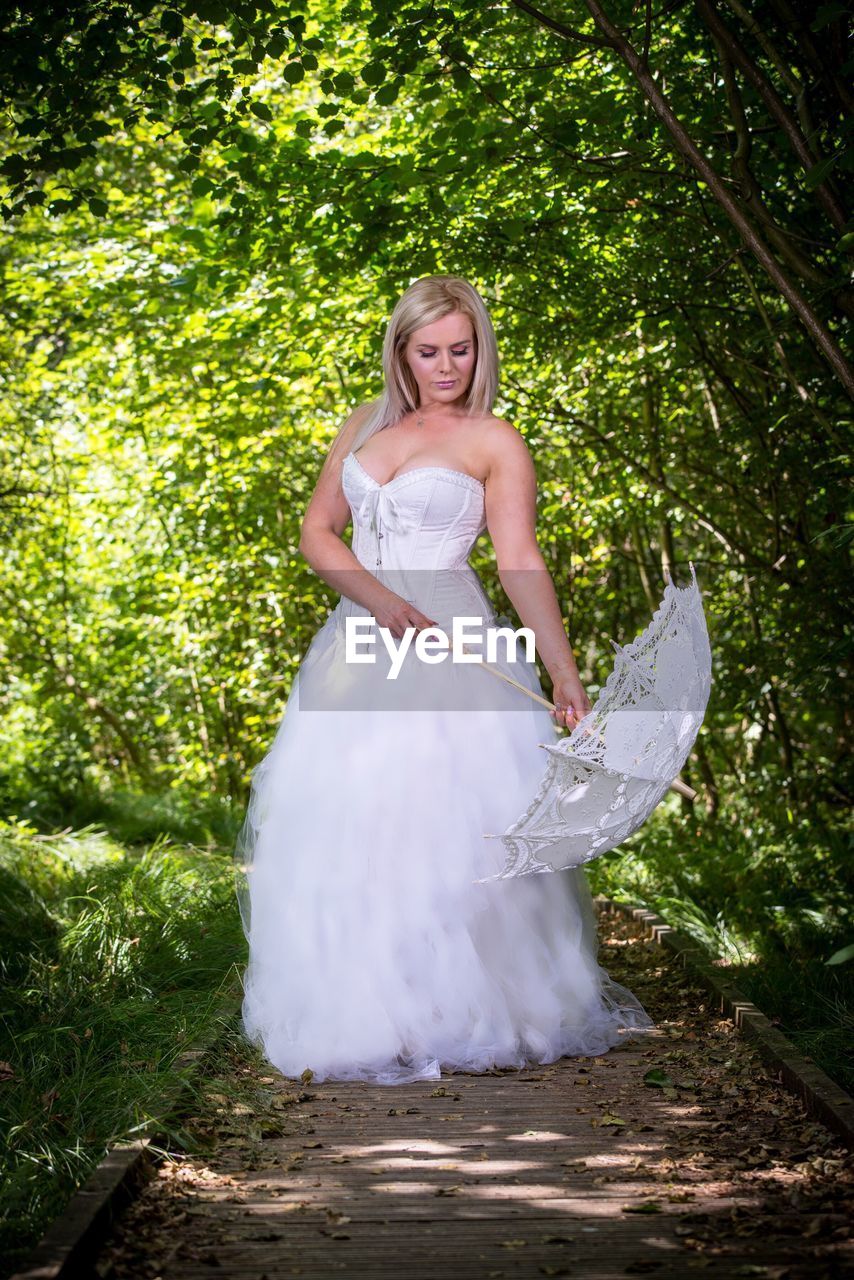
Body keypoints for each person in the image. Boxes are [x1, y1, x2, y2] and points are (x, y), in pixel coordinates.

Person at [234, 274, 655, 1085]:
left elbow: (519, 560)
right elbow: (318, 532)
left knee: (450, 826)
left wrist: (563, 675)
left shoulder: (494, 440)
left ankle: (478, 1010)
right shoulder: (362, 426)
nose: (446, 365)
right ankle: (369, 1014)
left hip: (455, 646)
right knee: (353, 825)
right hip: (360, 647)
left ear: (479, 348)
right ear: (401, 352)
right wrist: (380, 599)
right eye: (428, 351)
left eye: (460, 349)